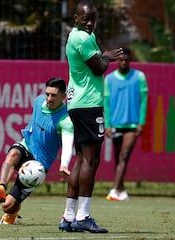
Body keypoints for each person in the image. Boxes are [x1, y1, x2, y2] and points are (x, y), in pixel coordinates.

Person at [58, 0, 123, 234]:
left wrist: (103, 56)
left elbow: (97, 60)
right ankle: (83, 216)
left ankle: (68, 216)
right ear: (75, 18)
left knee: (81, 159)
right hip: (88, 104)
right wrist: (106, 58)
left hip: (78, 103)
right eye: (85, 18)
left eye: (92, 18)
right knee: (91, 161)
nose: (89, 22)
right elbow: (99, 67)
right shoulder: (83, 38)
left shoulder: (81, 36)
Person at [0, 77, 74, 224]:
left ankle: (13, 210)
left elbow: (67, 143)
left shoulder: (65, 120)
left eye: (54, 95)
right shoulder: (38, 101)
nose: (49, 98)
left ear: (64, 97)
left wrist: (64, 164)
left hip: (38, 166)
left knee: (7, 206)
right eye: (47, 94)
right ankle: (1, 186)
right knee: (13, 154)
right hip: (27, 146)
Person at [104, 47, 148, 201]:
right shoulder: (109, 79)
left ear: (130, 60)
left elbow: (143, 101)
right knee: (118, 159)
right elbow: (107, 103)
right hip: (115, 125)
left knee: (124, 156)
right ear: (117, 61)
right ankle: (122, 189)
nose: (123, 62)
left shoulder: (139, 77)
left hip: (132, 126)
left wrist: (141, 123)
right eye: (120, 60)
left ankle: (115, 190)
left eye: (126, 60)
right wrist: (108, 124)